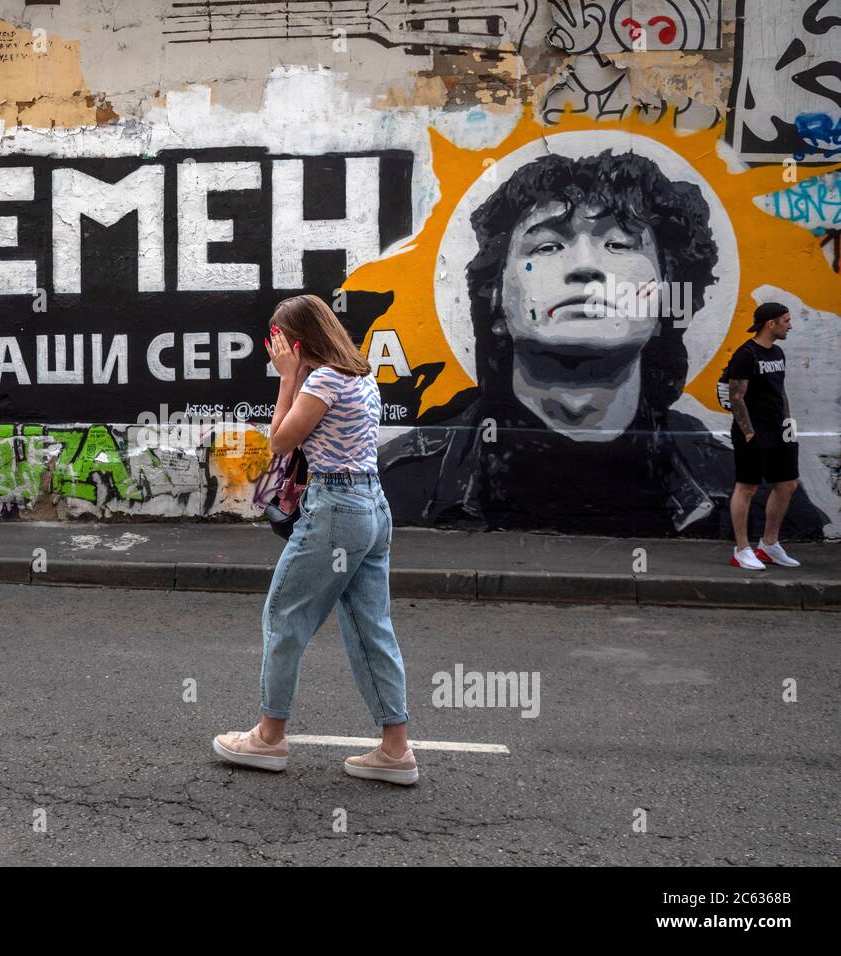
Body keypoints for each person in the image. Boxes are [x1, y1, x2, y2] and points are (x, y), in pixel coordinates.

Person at [378, 149, 828, 538]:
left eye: (619, 244)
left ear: (666, 297)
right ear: (495, 299)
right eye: (549, 247)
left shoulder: (731, 480)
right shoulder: (401, 480)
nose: (587, 268)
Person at [212, 294, 416, 785]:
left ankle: (268, 737)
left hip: (336, 510)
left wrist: (288, 377)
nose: (274, 349)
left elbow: (279, 442)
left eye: (278, 340)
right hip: (372, 505)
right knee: (371, 627)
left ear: (298, 341)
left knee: (284, 614)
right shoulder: (362, 375)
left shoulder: (322, 380)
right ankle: (396, 749)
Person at [727, 302, 803, 570]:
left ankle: (769, 545)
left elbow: (779, 392)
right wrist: (748, 433)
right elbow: (736, 397)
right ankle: (742, 549)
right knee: (747, 487)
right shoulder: (745, 354)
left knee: (787, 485)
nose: (790, 325)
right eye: (786, 320)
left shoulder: (778, 353)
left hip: (779, 430)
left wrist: (788, 424)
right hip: (753, 433)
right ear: (770, 324)